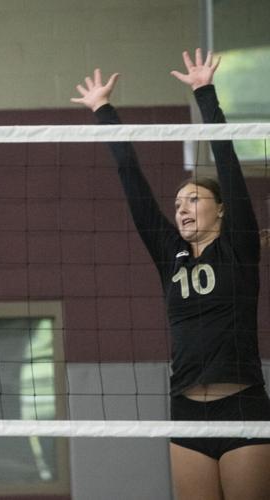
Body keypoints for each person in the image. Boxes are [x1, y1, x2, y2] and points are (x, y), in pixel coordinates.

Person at [72, 49, 270, 499]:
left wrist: (205, 93)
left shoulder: (237, 248)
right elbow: (133, 183)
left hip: (243, 406)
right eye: (178, 203)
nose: (182, 208)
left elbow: (228, 165)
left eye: (194, 200)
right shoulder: (170, 255)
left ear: (220, 210)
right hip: (185, 409)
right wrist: (104, 112)